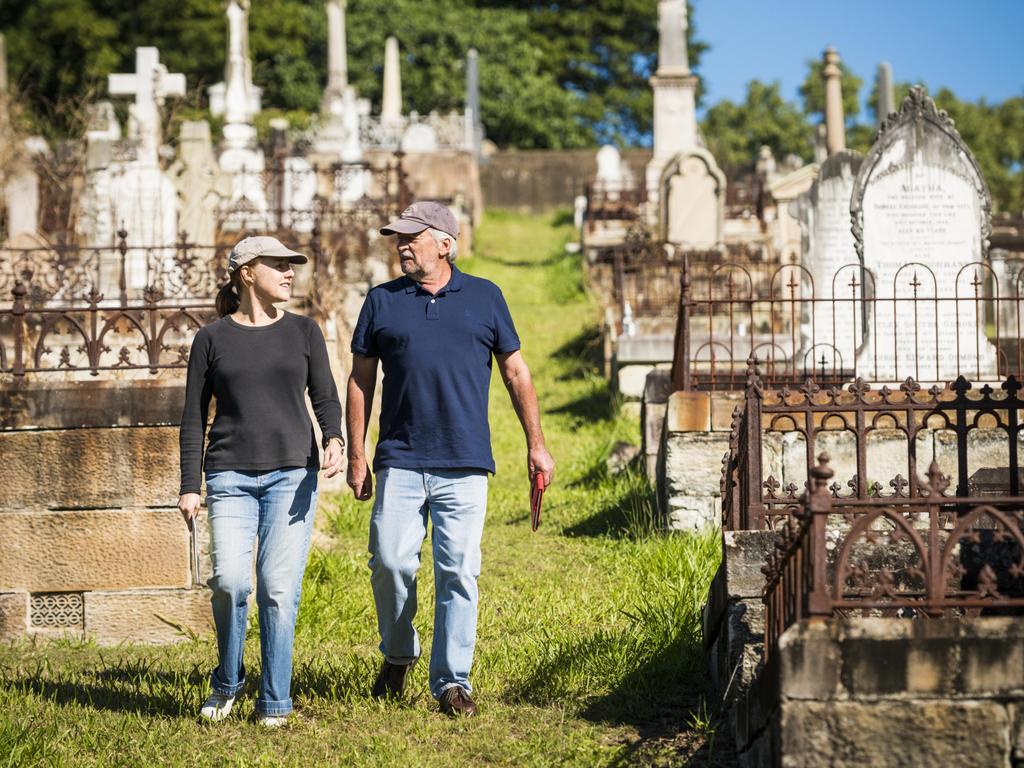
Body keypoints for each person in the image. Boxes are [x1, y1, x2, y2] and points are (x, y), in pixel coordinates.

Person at [347, 201, 555, 717]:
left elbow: (515, 373)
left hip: (464, 459)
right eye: (398, 237)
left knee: (458, 571)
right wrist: (357, 452)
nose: (401, 245)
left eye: (411, 236)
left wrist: (536, 443)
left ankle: (451, 682)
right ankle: (399, 653)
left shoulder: (485, 297)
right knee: (390, 562)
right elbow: (360, 380)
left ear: (445, 243)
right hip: (398, 455)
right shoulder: (381, 301)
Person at [178, 235, 345, 727]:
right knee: (230, 582)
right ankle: (228, 679)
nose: (290, 273)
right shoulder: (212, 339)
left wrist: (333, 437)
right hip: (228, 475)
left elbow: (326, 395)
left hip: (292, 475)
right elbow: (192, 418)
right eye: (278, 265)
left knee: (277, 588)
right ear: (246, 272)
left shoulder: (304, 332)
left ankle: (274, 698)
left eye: (292, 266)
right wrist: (191, 484)